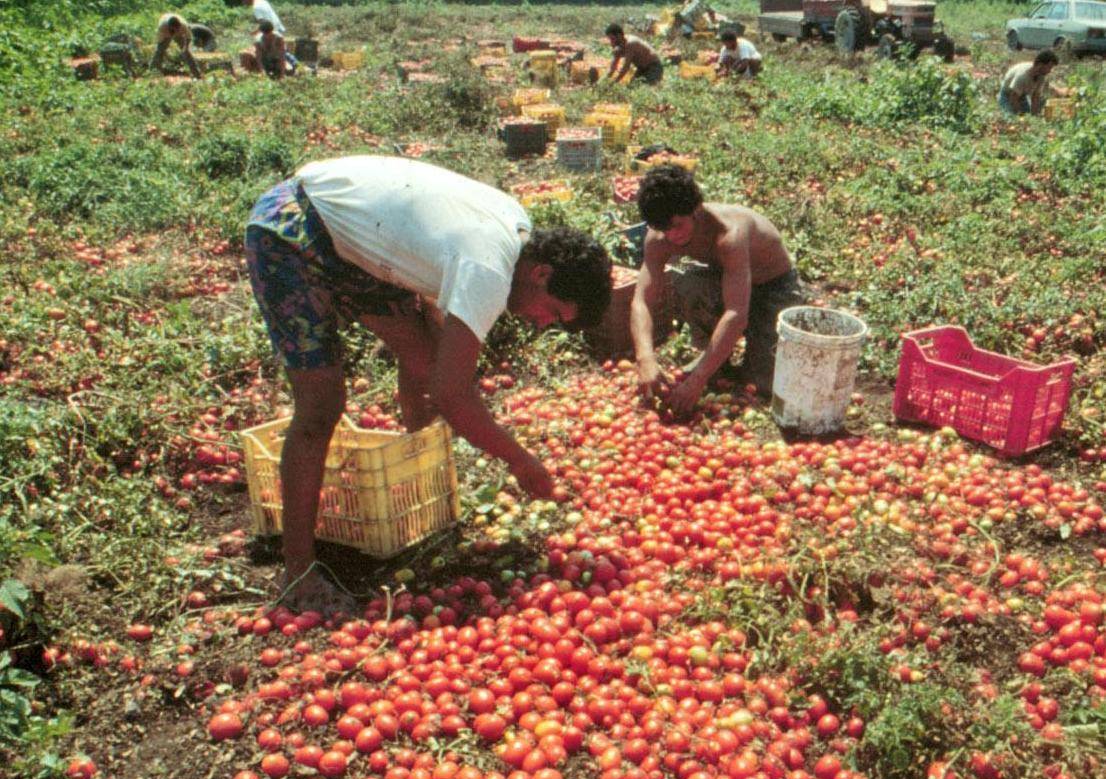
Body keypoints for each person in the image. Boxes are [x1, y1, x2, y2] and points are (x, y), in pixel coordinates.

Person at [245, 156, 612, 612]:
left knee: (423, 355)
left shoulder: (516, 230)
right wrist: (520, 460)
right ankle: (298, 572)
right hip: (293, 230)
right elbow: (451, 394)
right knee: (321, 405)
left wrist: (436, 415)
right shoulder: (490, 269)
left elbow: (436, 354)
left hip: (351, 240)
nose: (541, 324)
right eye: (552, 312)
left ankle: (421, 489)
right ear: (542, 274)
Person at [630, 164, 805, 414]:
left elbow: (736, 313)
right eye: (663, 228)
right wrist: (645, 358)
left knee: (763, 383)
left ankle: (722, 361)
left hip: (774, 286)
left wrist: (697, 380)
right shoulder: (659, 239)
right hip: (727, 279)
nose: (671, 236)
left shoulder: (729, 235)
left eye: (677, 225)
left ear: (696, 210)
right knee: (690, 284)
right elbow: (641, 301)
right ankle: (714, 360)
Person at [998, 49, 1059, 116]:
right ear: (1040, 65)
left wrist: (1034, 115)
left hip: (1022, 96)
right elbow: (1013, 98)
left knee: (1029, 116)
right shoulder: (1022, 76)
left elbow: (1035, 97)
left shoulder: (1041, 76)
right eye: (1049, 67)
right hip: (1007, 96)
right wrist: (1021, 115)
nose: (1050, 71)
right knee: (1012, 118)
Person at [151, 13, 202, 79]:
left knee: (186, 53)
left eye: (177, 28)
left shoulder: (183, 25)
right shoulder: (162, 27)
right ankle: (153, 73)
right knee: (159, 52)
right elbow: (159, 41)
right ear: (170, 27)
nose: (176, 30)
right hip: (165, 33)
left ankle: (197, 74)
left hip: (180, 34)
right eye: (174, 29)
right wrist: (163, 50)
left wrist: (185, 47)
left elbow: (188, 37)